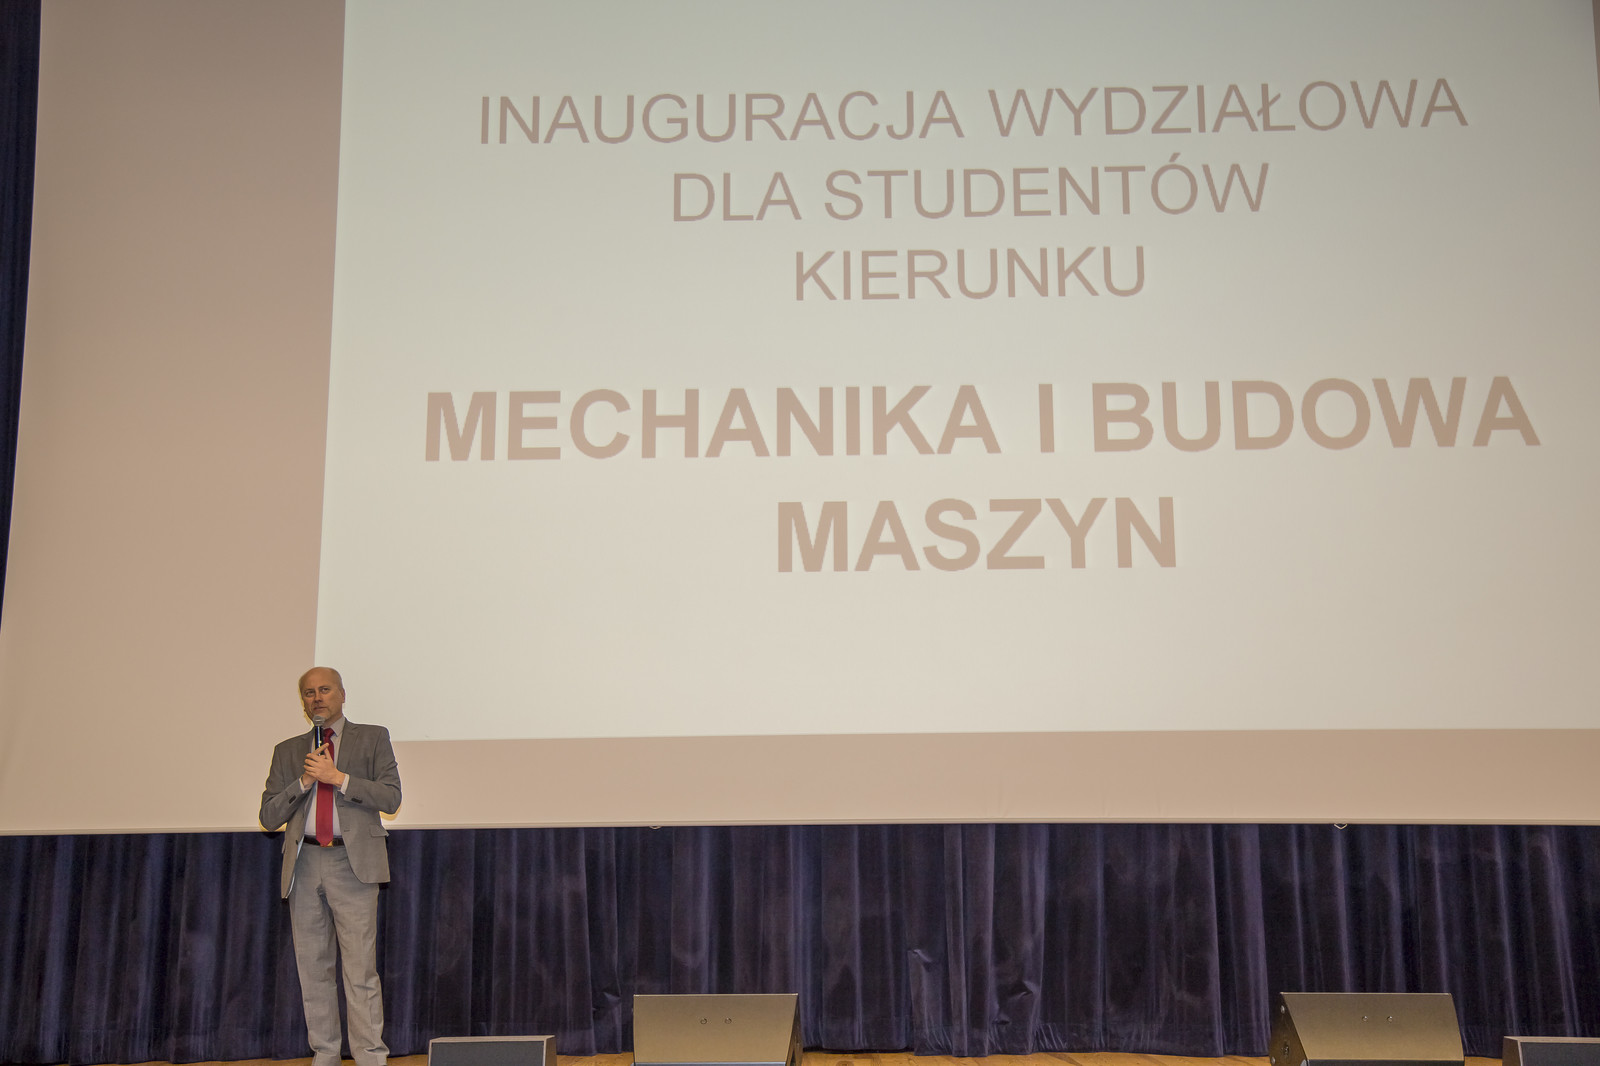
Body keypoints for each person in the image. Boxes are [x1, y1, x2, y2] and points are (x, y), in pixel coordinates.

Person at [259, 667, 402, 1066]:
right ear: (303, 703)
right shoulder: (288, 750)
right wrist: (304, 782)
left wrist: (338, 777)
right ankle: (324, 1054)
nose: (317, 697)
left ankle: (370, 1056)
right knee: (313, 969)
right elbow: (268, 816)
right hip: (304, 863)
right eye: (309, 693)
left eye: (324, 690)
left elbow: (391, 798)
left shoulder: (373, 738)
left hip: (351, 862)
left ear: (342, 694)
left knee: (360, 970)